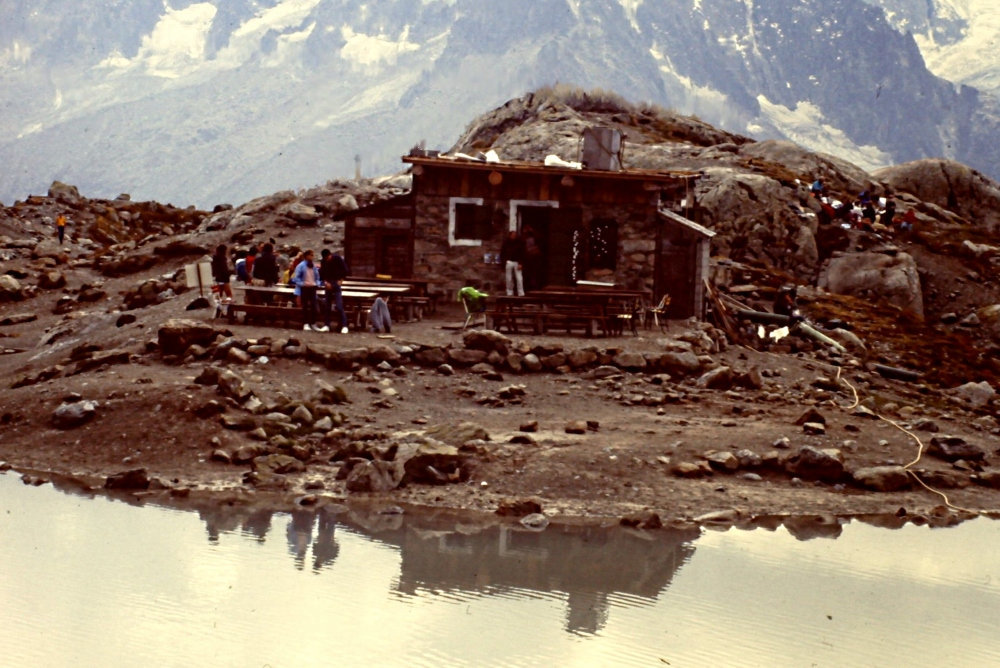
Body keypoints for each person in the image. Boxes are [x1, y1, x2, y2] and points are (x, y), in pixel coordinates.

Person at [319, 248, 349, 334]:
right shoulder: (323, 261)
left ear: (330, 255)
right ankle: (326, 325)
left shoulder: (338, 259)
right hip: (328, 284)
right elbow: (322, 273)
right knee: (327, 306)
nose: (327, 260)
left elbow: (345, 270)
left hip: (336, 283)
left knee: (339, 306)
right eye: (325, 259)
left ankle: (344, 325)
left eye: (328, 258)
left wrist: (341, 280)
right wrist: (325, 282)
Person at [291, 249, 322, 331]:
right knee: (305, 306)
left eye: (313, 255)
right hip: (304, 288)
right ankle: (305, 323)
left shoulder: (314, 266)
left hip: (313, 288)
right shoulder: (301, 266)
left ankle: (313, 323)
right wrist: (302, 284)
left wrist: (317, 283)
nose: (312, 257)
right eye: (311, 255)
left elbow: (317, 277)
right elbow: (295, 278)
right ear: (306, 256)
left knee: (314, 306)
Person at [499, 229, 526, 296]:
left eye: (515, 235)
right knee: (509, 278)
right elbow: (503, 253)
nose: (514, 236)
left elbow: (522, 253)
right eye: (512, 235)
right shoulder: (506, 243)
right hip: (509, 261)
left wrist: (521, 263)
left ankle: (521, 293)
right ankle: (509, 292)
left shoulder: (519, 243)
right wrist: (504, 262)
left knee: (519, 278)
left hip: (517, 262)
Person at [522, 225, 542, 291]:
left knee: (534, 274)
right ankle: (527, 287)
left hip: (534, 258)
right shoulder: (524, 238)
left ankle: (535, 287)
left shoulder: (535, 237)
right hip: (527, 258)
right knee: (527, 274)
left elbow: (539, 240)